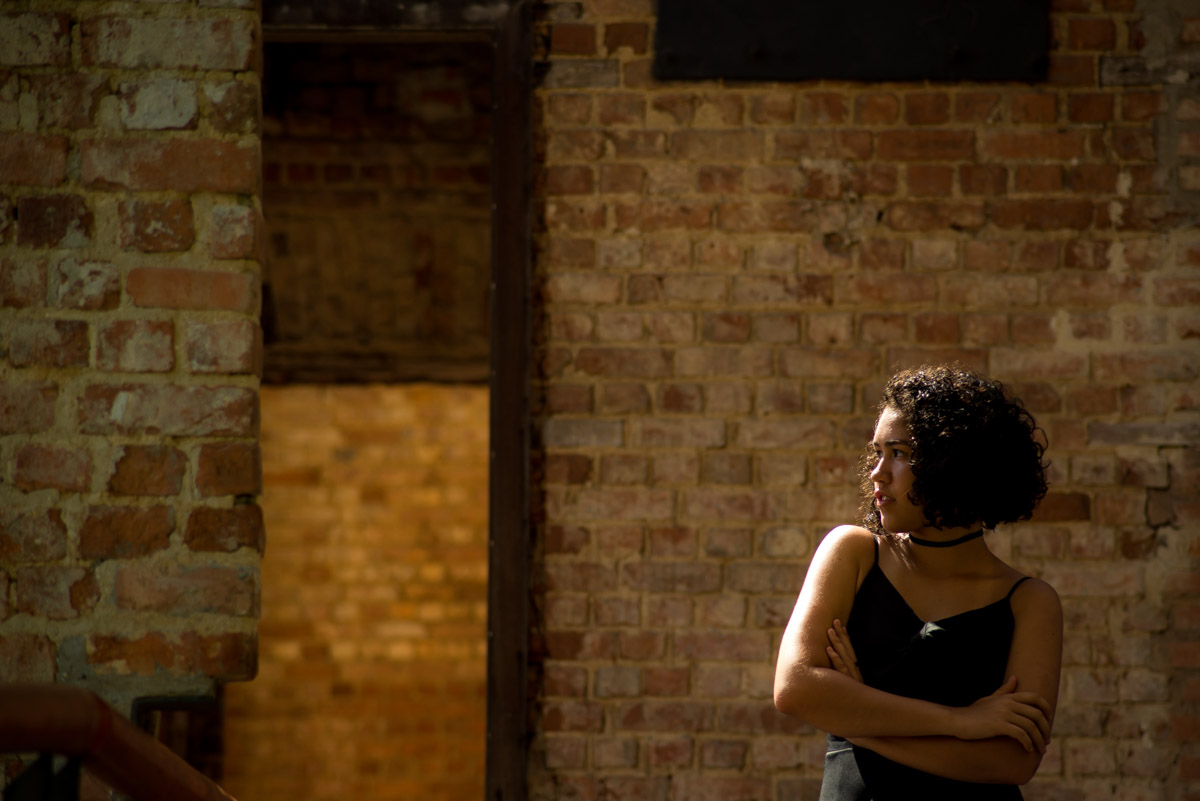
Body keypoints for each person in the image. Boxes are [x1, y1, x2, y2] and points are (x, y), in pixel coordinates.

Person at [773, 365, 1062, 800]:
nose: (878, 473)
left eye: (900, 453)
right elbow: (795, 689)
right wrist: (959, 722)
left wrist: (855, 715)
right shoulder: (852, 553)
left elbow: (1011, 761)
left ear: (955, 464)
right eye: (877, 453)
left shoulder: (1030, 602)